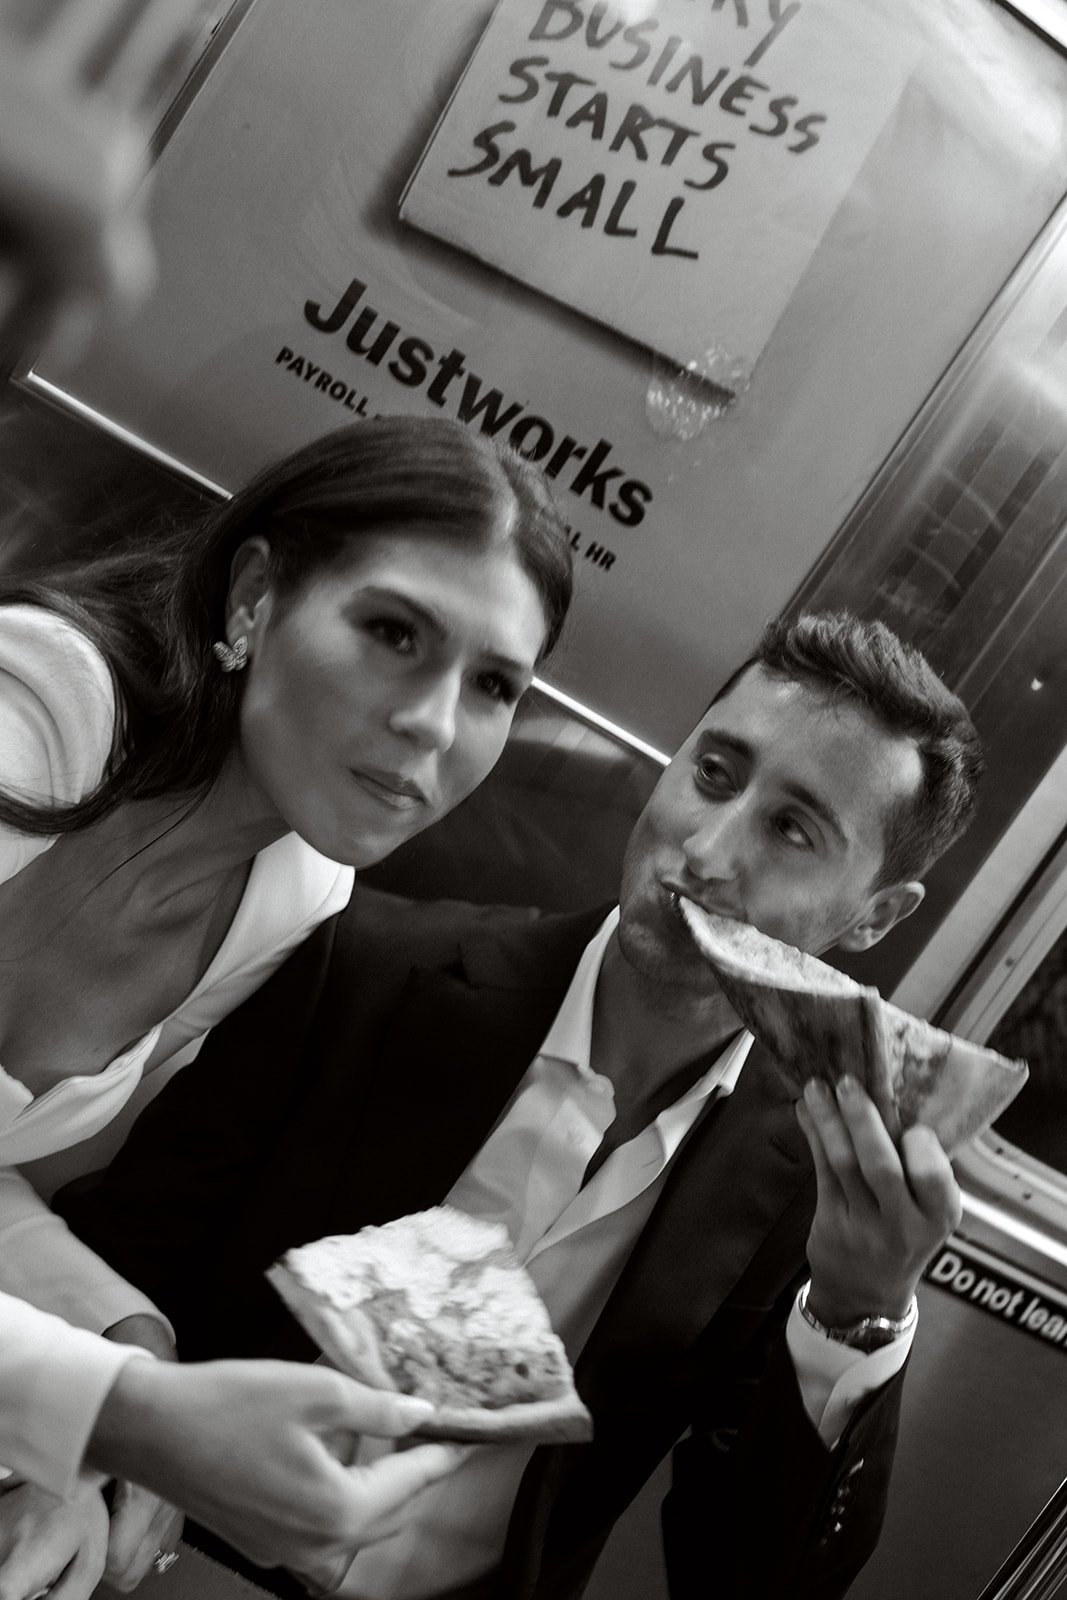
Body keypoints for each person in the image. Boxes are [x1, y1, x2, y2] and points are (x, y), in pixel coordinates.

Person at [57, 609, 984, 1600]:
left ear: (874, 914)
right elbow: (119, 1252)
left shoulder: (815, 1183)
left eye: (793, 829)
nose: (707, 851)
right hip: (159, 1559)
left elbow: (748, 1580)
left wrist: (856, 1314)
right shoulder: (365, 964)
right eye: (712, 772)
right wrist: (109, 1435)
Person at [0, 412, 572, 1594]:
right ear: (254, 595)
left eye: (494, 685)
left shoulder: (296, 895)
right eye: (393, 631)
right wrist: (122, 1415)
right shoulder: (39, 707)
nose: (433, 720)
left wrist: (132, 1344)